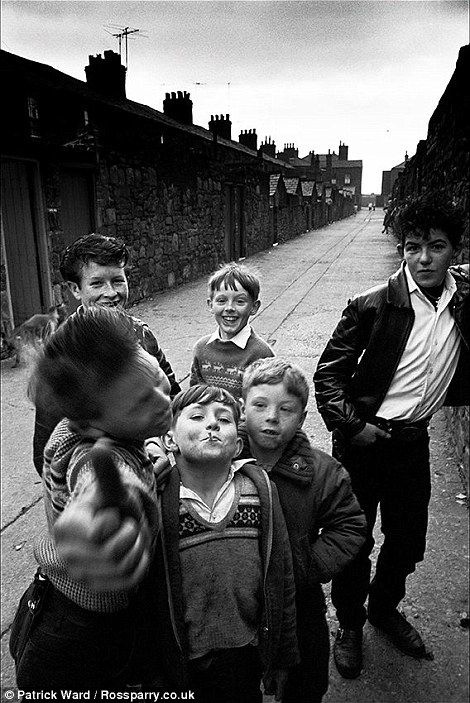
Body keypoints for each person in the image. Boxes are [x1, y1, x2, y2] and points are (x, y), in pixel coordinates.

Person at [32, 382, 299, 701]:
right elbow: (144, 597)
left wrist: (282, 655)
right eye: (197, 416)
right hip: (178, 665)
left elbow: (281, 578)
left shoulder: (263, 493)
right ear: (170, 439)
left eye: (224, 419)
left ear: (237, 443)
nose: (212, 423)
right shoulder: (156, 497)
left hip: (245, 656)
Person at [314, 196, 469, 679]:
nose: (424, 259)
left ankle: (383, 609)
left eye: (436, 247)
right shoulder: (370, 304)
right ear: (401, 250)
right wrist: (353, 427)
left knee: (407, 540)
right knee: (354, 542)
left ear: (454, 251)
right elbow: (327, 376)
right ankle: (350, 625)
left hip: (413, 442)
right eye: (413, 247)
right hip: (366, 441)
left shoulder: (462, 302)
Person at [11, 306, 173, 693]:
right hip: (78, 634)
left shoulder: (99, 419)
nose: (163, 401)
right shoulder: (94, 454)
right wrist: (93, 522)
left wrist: (149, 441)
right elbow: (104, 480)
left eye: (160, 380)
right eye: (140, 404)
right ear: (90, 424)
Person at [238, 357, 366, 703]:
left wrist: (305, 565)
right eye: (260, 405)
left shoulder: (322, 472)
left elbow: (349, 525)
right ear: (242, 407)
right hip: (237, 601)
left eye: (286, 409)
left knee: (306, 681)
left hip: (298, 599)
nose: (271, 417)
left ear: (302, 418)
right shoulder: (220, 462)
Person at [32, 233, 180, 475]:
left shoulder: (142, 335)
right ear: (75, 289)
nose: (111, 293)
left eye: (118, 281)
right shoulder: (61, 353)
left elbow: (173, 397)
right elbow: (46, 447)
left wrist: (160, 443)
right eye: (97, 283)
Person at [190, 262, 274, 398]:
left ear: (254, 307)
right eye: (221, 301)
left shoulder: (262, 354)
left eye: (240, 301)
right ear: (210, 305)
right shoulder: (201, 349)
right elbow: (195, 396)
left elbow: (266, 402)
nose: (229, 308)